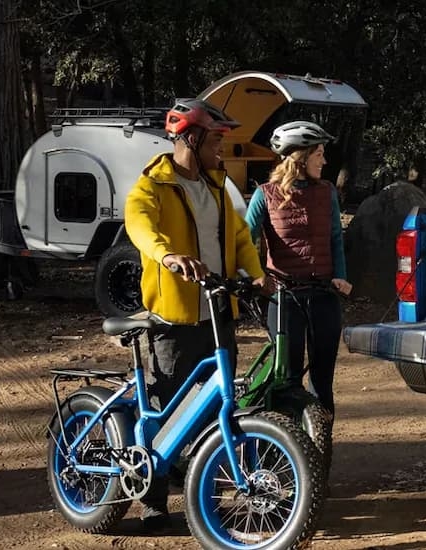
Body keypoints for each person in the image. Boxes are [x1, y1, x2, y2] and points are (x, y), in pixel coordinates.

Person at [123, 98, 266, 531]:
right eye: (216, 140)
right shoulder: (153, 185)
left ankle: (205, 486)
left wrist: (257, 275)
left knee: (213, 406)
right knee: (168, 406)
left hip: (218, 308)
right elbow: (140, 226)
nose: (222, 149)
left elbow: (240, 236)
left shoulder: (218, 186)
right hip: (175, 314)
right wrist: (168, 257)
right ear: (190, 138)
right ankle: (153, 500)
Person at [245, 121, 353, 413]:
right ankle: (285, 451)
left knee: (322, 383)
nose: (325, 160)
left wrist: (341, 276)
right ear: (301, 157)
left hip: (323, 295)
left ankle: (321, 451)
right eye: (319, 154)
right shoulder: (264, 195)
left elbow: (335, 239)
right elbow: (244, 240)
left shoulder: (327, 192)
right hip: (284, 299)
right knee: (287, 382)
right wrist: (256, 275)